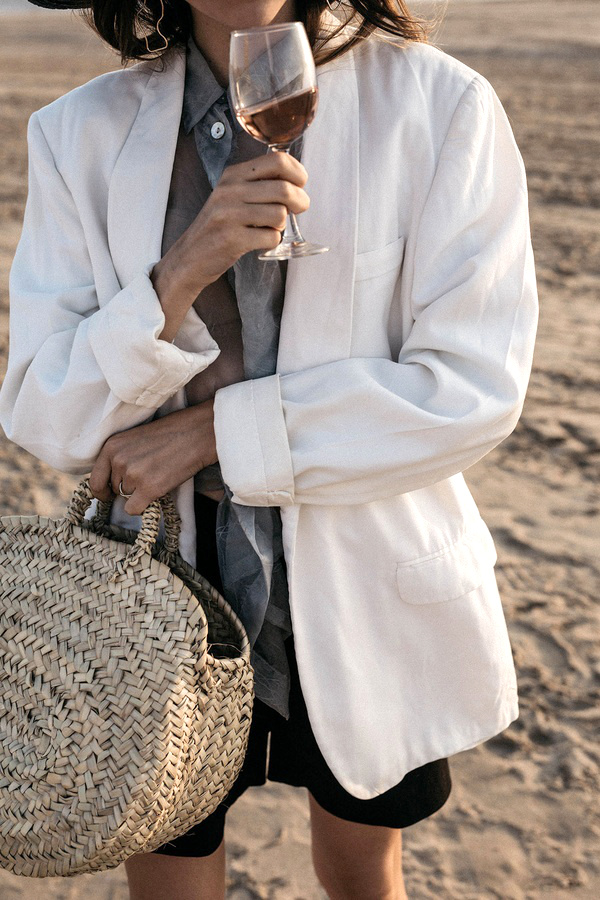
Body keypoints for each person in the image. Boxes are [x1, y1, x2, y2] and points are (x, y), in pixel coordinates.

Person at [0, 0, 538, 897]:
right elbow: (43, 410)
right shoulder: (78, 133)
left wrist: (214, 432)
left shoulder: (443, 107)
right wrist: (177, 275)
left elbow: (472, 389)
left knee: (365, 868)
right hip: (154, 597)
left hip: (372, 583)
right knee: (170, 869)